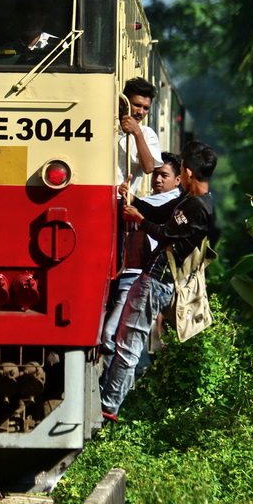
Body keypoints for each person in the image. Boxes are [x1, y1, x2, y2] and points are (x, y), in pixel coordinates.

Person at [100, 141, 217, 420]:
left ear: (187, 173)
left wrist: (138, 219)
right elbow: (157, 214)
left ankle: (109, 406)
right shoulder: (188, 200)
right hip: (152, 278)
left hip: (158, 281)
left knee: (129, 343)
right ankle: (109, 401)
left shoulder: (199, 207)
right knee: (125, 338)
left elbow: (165, 233)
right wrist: (131, 200)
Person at [99, 152, 183, 372]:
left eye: (164, 175)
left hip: (138, 273)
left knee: (114, 334)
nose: (158, 179)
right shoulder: (164, 200)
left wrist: (128, 198)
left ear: (178, 180)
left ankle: (109, 386)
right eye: (155, 174)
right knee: (125, 333)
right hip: (135, 273)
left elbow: (141, 208)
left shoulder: (170, 201)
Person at [116, 77, 162, 196]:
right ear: (124, 103)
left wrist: (137, 133)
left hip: (124, 200)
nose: (141, 112)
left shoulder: (147, 134)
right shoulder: (107, 127)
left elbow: (148, 168)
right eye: (137, 105)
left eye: (146, 108)